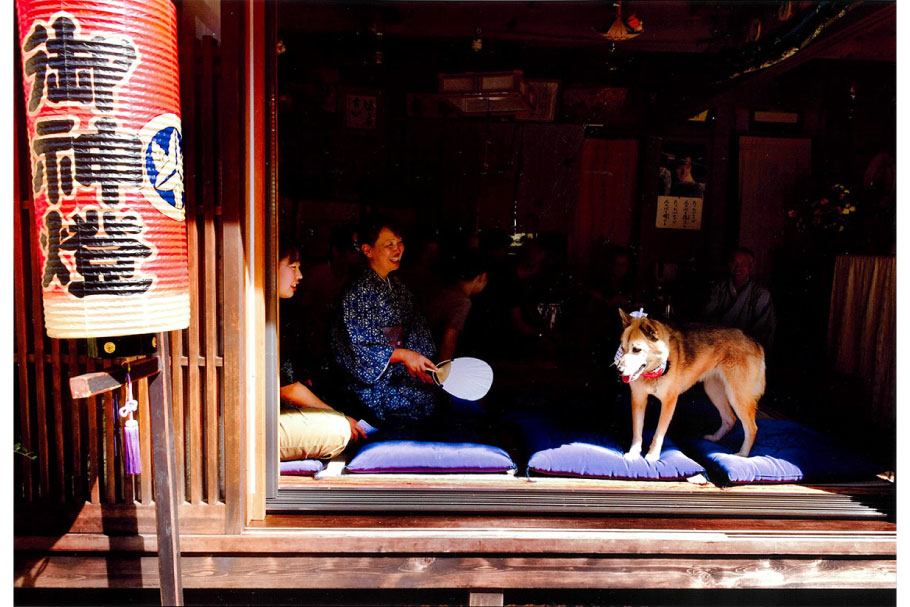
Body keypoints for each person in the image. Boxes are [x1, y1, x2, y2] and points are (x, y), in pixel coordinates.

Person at [330, 216, 446, 433]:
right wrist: (403, 356)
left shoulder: (399, 288)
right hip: (367, 383)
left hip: (397, 374)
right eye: (389, 245)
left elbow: (416, 332)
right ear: (368, 250)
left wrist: (420, 366)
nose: (397, 250)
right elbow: (359, 348)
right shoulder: (356, 292)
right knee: (420, 402)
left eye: (399, 242)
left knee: (435, 395)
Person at [277, 236, 366, 462]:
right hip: (245, 431)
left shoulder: (275, 310)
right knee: (340, 429)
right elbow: (285, 388)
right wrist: (335, 414)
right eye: (293, 267)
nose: (300, 276)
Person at [703, 246, 776, 352]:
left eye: (743, 264)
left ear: (750, 267)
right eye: (734, 263)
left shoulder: (760, 295)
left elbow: (763, 332)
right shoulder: (718, 290)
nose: (738, 268)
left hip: (747, 351)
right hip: (718, 348)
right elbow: (707, 320)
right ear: (729, 265)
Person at [424, 248, 489, 362]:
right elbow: (449, 341)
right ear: (481, 277)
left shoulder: (446, 290)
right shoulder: (462, 302)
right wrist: (444, 373)